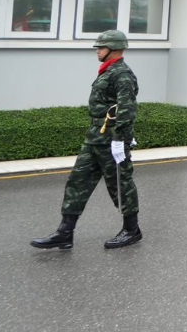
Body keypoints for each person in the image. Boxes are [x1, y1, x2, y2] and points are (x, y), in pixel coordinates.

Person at [31, 30, 142, 250]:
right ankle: (65, 232)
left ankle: (131, 230)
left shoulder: (122, 74)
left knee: (120, 185)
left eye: (100, 48)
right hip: (95, 138)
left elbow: (126, 111)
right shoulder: (107, 71)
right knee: (77, 181)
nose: (97, 51)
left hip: (112, 140)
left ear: (113, 48)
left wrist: (120, 141)